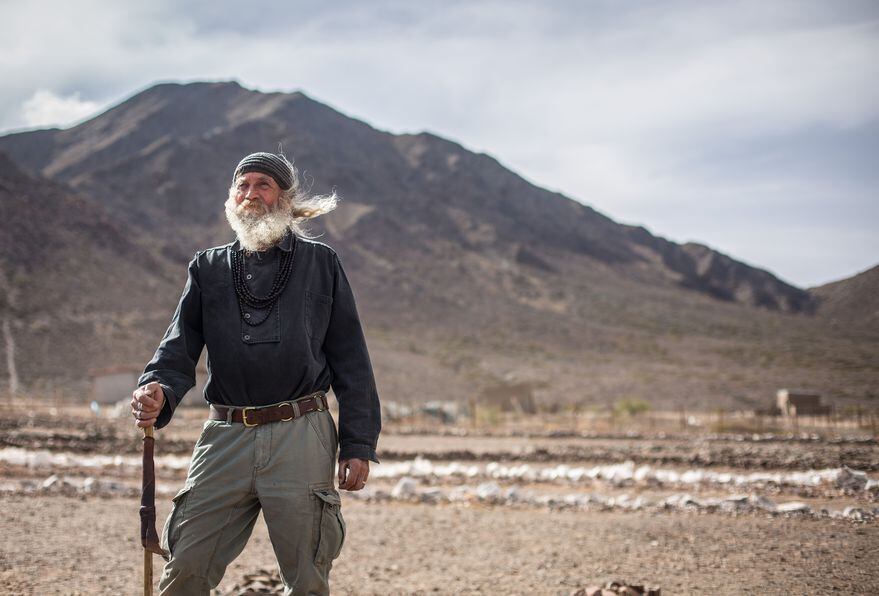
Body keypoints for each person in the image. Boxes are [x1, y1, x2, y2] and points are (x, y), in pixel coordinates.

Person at [130, 151, 381, 595]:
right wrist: (157, 391)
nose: (250, 195)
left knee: (307, 574)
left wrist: (358, 444)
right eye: (242, 186)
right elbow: (177, 349)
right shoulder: (207, 268)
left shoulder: (320, 264)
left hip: (301, 433)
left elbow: (352, 362)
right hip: (225, 436)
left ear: (284, 198)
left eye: (262, 185)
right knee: (186, 564)